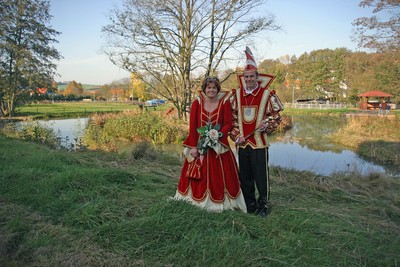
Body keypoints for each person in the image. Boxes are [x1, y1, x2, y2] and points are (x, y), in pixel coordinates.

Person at [173, 76, 247, 213]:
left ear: (217, 89)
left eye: (214, 88)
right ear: (205, 89)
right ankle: (196, 200)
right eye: (209, 88)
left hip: (218, 147)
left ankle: (223, 202)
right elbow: (193, 126)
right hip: (200, 146)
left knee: (221, 177)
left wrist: (217, 135)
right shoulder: (197, 103)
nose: (211, 90)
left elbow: (228, 124)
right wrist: (194, 147)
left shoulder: (224, 103)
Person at [230, 47, 284, 217]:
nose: (249, 79)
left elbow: (276, 117)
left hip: (259, 144)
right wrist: (236, 135)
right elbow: (230, 119)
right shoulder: (236, 95)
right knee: (245, 177)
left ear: (257, 77)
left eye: (252, 76)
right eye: (246, 77)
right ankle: (249, 204)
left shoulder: (267, 94)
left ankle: (263, 206)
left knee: (261, 177)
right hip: (242, 143)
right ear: (243, 78)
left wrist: (266, 124)